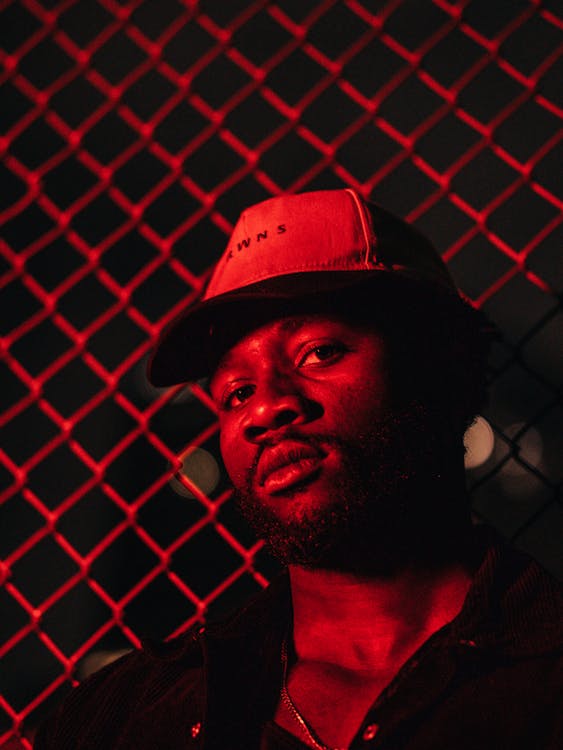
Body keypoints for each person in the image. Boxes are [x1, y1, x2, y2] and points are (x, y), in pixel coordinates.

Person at [35, 189, 562, 749]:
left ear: (441, 369)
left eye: (318, 352)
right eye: (236, 393)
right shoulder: (123, 717)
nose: (264, 409)